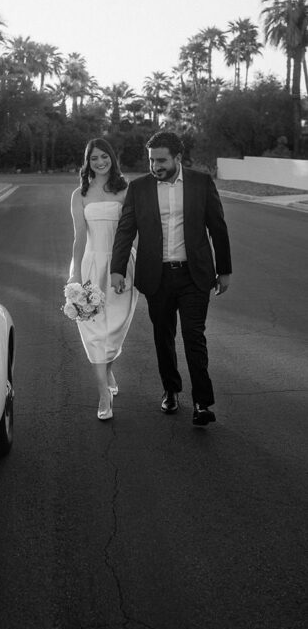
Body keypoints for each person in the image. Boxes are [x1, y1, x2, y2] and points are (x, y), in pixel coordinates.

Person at [110, 130, 232, 427]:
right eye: (152, 160)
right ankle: (171, 389)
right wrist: (117, 269)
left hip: (194, 275)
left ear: (178, 157)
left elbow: (217, 226)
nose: (155, 166)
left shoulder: (201, 183)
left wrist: (224, 270)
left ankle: (202, 402)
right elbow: (126, 230)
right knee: (163, 337)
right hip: (158, 276)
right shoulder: (138, 189)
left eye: (162, 160)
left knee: (194, 337)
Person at [68, 138, 138, 421]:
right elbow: (79, 236)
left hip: (121, 264)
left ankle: (108, 370)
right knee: (93, 329)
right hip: (90, 263)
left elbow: (135, 231)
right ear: (88, 162)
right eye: (94, 158)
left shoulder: (124, 190)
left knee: (115, 327)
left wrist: (142, 263)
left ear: (112, 158)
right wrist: (75, 274)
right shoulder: (79, 194)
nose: (100, 162)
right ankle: (103, 394)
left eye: (104, 157)